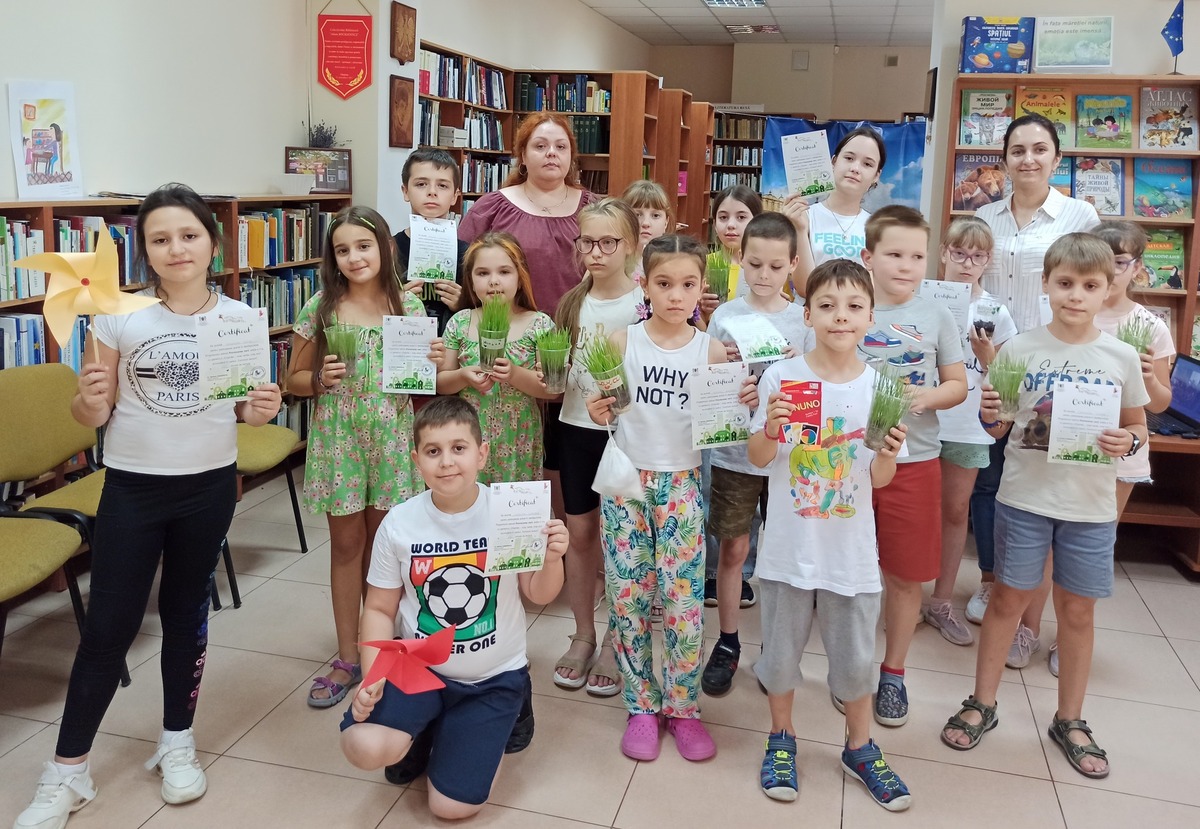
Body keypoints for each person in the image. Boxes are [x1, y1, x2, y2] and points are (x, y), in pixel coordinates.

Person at [13, 183, 283, 828]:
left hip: (208, 486)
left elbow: (244, 410)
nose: (176, 248)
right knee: (109, 627)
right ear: (144, 250)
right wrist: (87, 398)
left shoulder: (240, 319)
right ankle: (68, 771)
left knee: (187, 614)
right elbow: (92, 414)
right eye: (160, 239)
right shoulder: (117, 315)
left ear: (213, 243)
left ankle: (176, 741)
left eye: (188, 235)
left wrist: (261, 408)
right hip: (133, 488)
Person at [940, 233, 1149, 781]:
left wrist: (1127, 441)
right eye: (1065, 283)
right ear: (1047, 285)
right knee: (1007, 600)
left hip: (1091, 507)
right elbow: (998, 427)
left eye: (1090, 285)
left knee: (1078, 612)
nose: (1076, 295)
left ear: (1107, 289)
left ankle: (1070, 718)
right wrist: (991, 413)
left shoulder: (1121, 356)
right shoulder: (1019, 350)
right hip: (1024, 500)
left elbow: (1138, 426)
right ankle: (982, 701)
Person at [340, 396, 568, 820]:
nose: (446, 462)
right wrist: (373, 677)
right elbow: (379, 609)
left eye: (458, 448)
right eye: (433, 451)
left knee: (449, 808)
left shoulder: (509, 511)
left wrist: (552, 559)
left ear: (482, 454)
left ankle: (502, 712)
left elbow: (539, 594)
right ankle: (426, 727)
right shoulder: (399, 523)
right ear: (416, 461)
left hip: (493, 677)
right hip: (418, 670)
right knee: (362, 746)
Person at [749, 258, 912, 811]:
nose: (840, 316)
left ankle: (860, 746)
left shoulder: (881, 385)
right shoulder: (782, 377)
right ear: (807, 315)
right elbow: (759, 457)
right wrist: (772, 429)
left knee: (856, 660)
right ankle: (781, 737)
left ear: (871, 316)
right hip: (788, 548)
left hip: (851, 553)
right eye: (826, 305)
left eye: (853, 306)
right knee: (780, 655)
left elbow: (881, 478)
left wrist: (887, 453)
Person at [586, 234, 731, 762]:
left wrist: (738, 402)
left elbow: (721, 423)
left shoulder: (710, 350)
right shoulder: (621, 341)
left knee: (684, 603)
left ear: (702, 287)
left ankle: (683, 707)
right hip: (627, 484)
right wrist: (598, 408)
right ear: (644, 285)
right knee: (628, 598)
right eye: (664, 284)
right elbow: (604, 405)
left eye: (688, 285)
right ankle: (641, 705)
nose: (676, 295)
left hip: (682, 486)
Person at [289, 206, 439, 709]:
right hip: (340, 441)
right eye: (342, 250)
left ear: (385, 248)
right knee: (347, 546)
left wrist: (436, 363)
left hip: (393, 439)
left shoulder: (408, 308)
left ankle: (386, 648)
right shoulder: (321, 308)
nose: (354, 257)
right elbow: (293, 380)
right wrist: (319, 379)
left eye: (364, 246)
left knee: (386, 548)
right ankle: (347, 655)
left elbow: (423, 383)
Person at [968, 114, 1101, 655]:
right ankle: (991, 581)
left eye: (1039, 149)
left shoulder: (1078, 215)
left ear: (1056, 158)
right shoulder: (985, 216)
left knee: (1044, 489)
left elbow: (1090, 285)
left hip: (1056, 368)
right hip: (995, 362)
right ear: (1004, 158)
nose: (1028, 159)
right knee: (990, 480)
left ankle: (1029, 621)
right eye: (1017, 149)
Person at [1034, 221, 1174, 676]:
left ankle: (1067, 637)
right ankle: (1027, 627)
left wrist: (1148, 376)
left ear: (1136, 267)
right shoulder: (1069, 311)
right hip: (1061, 450)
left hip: (1118, 452)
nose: (1111, 272)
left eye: (1121, 262)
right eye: (1104, 260)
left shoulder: (1149, 326)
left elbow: (1159, 404)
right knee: (1044, 548)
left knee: (1088, 551)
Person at [857, 205, 967, 727]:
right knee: (851, 575)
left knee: (904, 576)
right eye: (894, 254)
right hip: (849, 464)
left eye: (917, 256)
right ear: (868, 256)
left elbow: (958, 384)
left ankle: (893, 672)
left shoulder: (938, 316)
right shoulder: (849, 308)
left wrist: (926, 397)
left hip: (915, 462)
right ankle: (852, 670)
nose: (906, 265)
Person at [701, 212, 811, 697]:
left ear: (793, 265)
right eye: (754, 264)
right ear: (740, 260)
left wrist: (791, 375)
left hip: (788, 459)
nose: (764, 275)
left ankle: (777, 649)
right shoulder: (725, 316)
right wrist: (733, 389)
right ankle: (727, 641)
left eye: (775, 266)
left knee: (782, 556)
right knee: (734, 549)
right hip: (734, 455)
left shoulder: (804, 319)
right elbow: (711, 390)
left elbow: (814, 389)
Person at [551, 198, 643, 697]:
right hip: (575, 428)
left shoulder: (645, 302)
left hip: (629, 436)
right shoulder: (571, 303)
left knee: (622, 539)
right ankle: (584, 632)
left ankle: (616, 638)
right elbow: (557, 372)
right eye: (588, 242)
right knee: (581, 532)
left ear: (631, 246)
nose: (597, 252)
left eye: (609, 242)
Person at [927, 218, 1017, 646]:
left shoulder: (995, 312)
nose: (967, 263)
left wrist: (987, 357)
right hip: (918, 420)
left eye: (977, 256)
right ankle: (896, 592)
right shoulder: (922, 298)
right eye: (959, 253)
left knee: (954, 511)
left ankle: (941, 601)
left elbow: (1008, 381)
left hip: (965, 425)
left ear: (988, 261)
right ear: (944, 252)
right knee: (903, 508)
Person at [438, 231, 557, 484]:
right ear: (470, 281)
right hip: (468, 434)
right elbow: (441, 383)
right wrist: (463, 376)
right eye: (483, 273)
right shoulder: (460, 322)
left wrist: (514, 374)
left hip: (519, 436)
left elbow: (550, 390)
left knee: (513, 505)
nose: (494, 281)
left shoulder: (539, 324)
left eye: (504, 272)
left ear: (520, 278)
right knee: (471, 500)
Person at [458, 112, 595, 315]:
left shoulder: (593, 208)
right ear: (522, 155)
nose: (551, 153)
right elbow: (463, 268)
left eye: (561, 147)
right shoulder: (491, 208)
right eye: (540, 146)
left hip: (579, 325)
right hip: (506, 326)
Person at [701, 185, 763, 605]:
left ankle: (743, 571)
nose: (731, 225)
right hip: (715, 394)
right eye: (723, 216)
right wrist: (705, 316)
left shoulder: (765, 271)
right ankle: (712, 570)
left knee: (749, 488)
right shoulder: (704, 267)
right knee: (712, 485)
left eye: (741, 217)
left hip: (756, 394)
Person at [783, 126, 887, 299]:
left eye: (867, 164)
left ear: (876, 175)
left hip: (856, 315)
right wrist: (799, 230)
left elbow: (874, 291)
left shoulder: (877, 229)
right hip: (810, 315)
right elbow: (805, 288)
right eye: (849, 158)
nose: (855, 168)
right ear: (833, 162)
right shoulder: (804, 216)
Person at [393, 148, 468, 336]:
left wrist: (464, 304)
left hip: (451, 347)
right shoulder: (387, 250)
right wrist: (394, 302)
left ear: (455, 196)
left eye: (442, 185)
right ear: (405, 191)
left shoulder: (468, 255)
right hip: (402, 344)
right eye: (421, 184)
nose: (432, 192)